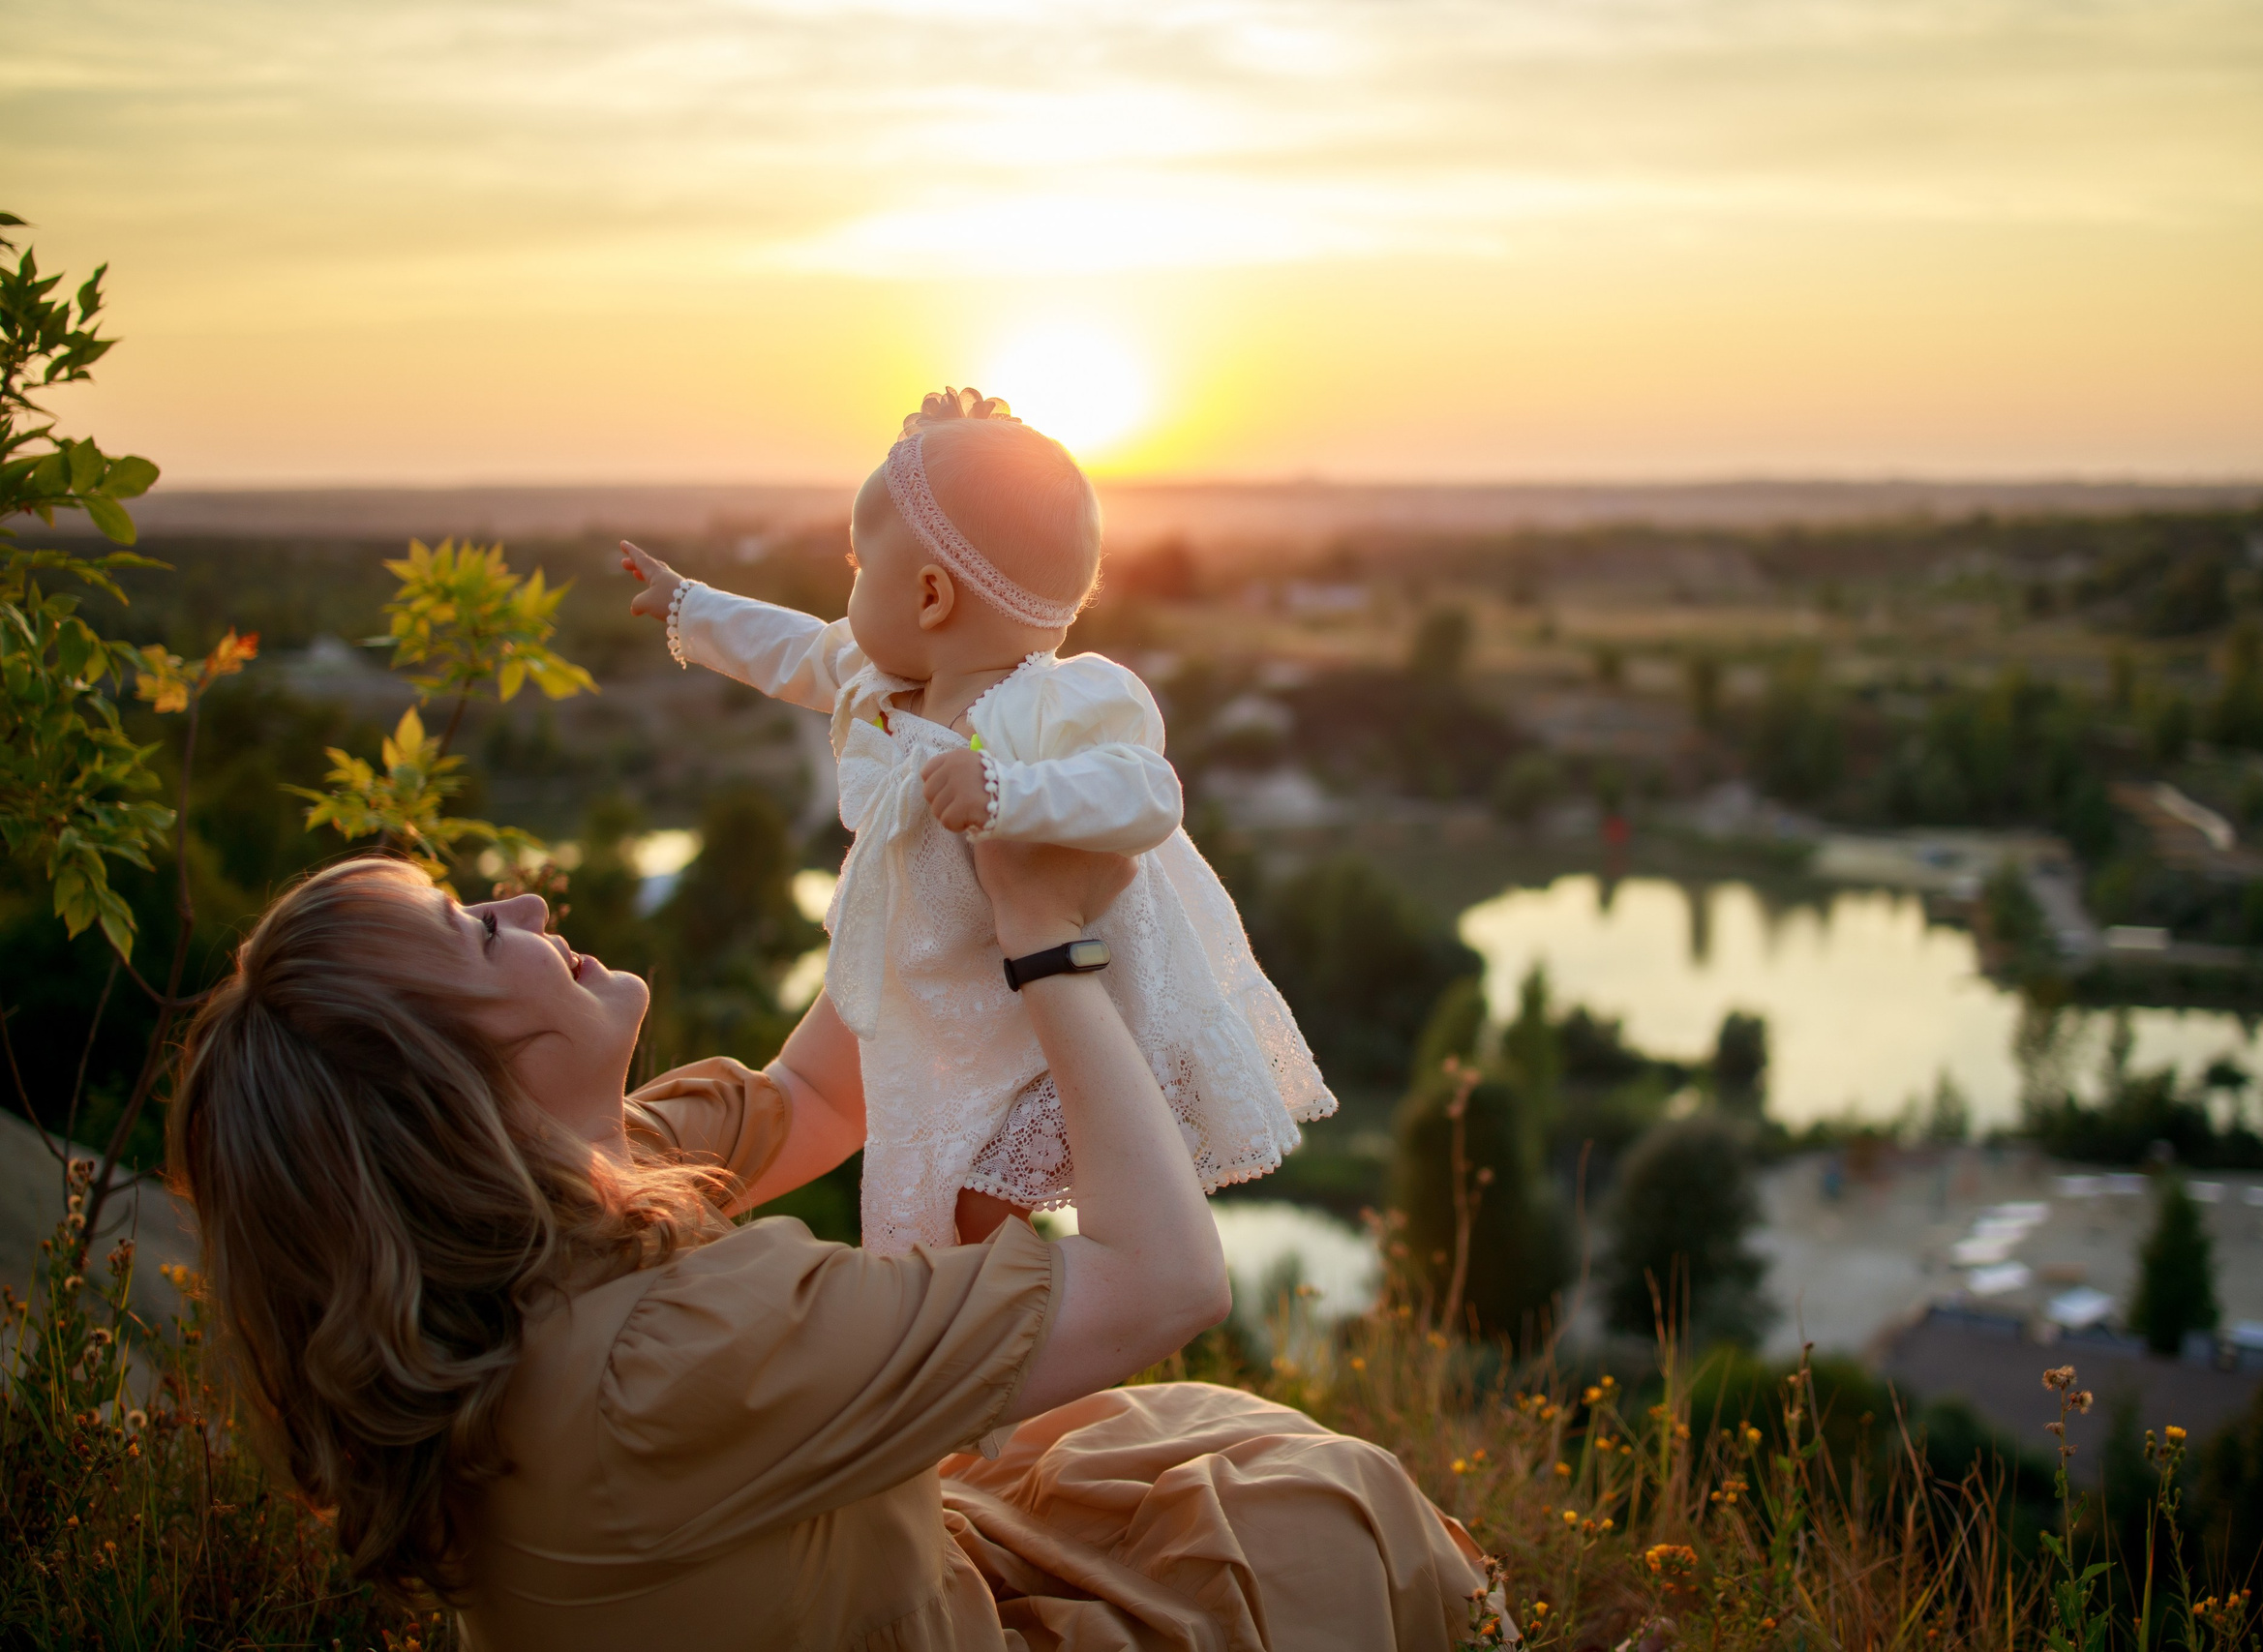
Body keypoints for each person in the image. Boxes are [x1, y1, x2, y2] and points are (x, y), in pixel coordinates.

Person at [169, 843, 1499, 1649]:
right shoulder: (673, 1350)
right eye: (476, 930)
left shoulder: (573, 1191)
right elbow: (1169, 1278)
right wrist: (1052, 950)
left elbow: (819, 1096)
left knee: (1153, 1432)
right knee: (1325, 1516)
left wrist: (930, 833)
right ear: (448, 1078)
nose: (520, 903)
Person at [618, 387, 1331, 1253]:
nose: (847, 593)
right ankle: (645, 1215)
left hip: (1046, 1004)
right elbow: (800, 649)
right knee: (817, 1099)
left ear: (929, 597)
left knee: (967, 1208)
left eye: (856, 569)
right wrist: (692, 604)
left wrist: (1007, 792)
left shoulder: (1046, 704)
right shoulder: (887, 683)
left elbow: (1146, 791)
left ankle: (997, 1353)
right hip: (927, 956)